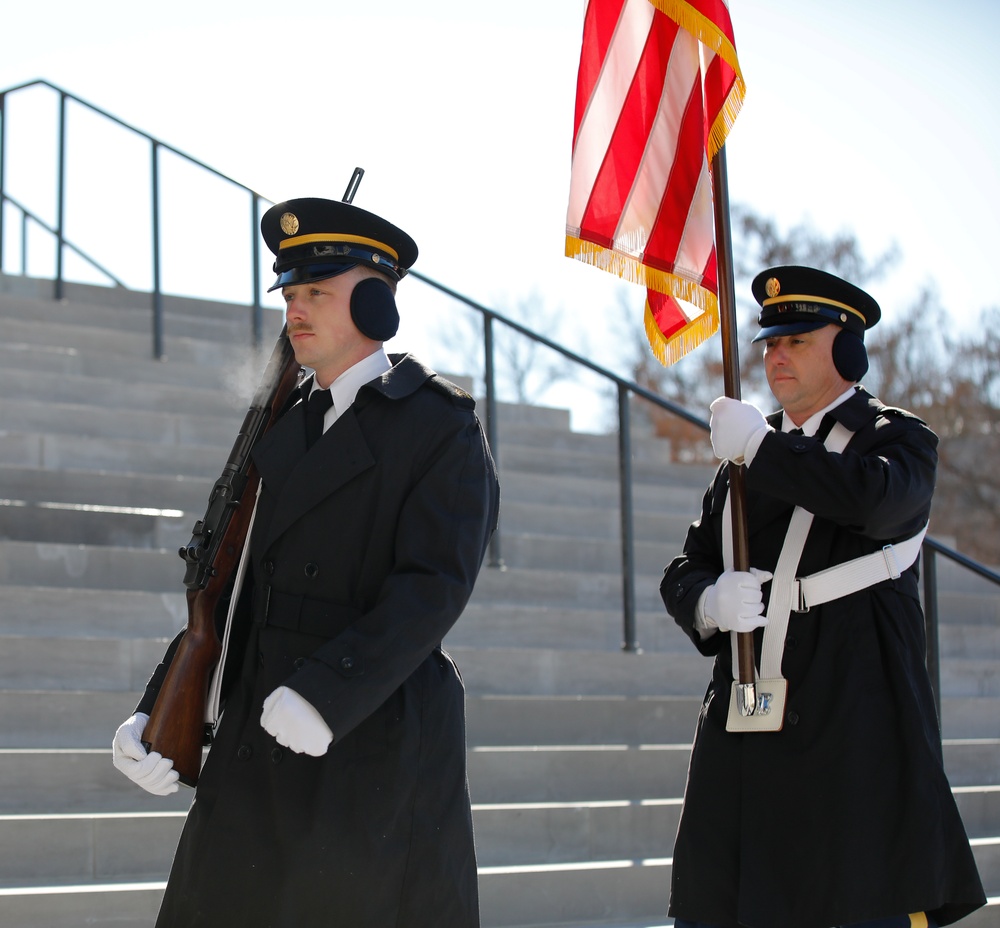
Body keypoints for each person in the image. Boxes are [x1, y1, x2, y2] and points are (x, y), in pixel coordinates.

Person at [112, 195, 501, 927]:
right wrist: (159, 701)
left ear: (380, 301)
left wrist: (329, 691)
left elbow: (433, 588)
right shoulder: (281, 426)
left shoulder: (437, 427)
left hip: (365, 742)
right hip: (255, 738)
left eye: (317, 291)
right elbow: (226, 585)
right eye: (290, 293)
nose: (295, 309)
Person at [660, 266, 985, 928]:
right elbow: (685, 566)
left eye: (798, 341)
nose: (776, 355)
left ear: (847, 349)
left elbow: (870, 500)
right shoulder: (740, 463)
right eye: (771, 344)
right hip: (747, 734)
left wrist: (761, 445)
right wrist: (708, 602)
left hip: (848, 728)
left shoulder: (896, 438)